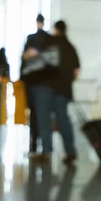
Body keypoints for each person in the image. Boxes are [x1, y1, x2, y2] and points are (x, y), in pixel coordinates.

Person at [21, 14, 56, 161]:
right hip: (44, 84)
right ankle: (43, 147)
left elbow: (24, 58)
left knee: (36, 115)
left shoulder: (32, 39)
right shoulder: (48, 40)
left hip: (35, 83)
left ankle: (35, 145)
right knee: (43, 116)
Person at [50, 20, 81, 166]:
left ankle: (50, 151)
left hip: (53, 88)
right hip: (65, 89)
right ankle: (70, 150)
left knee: (55, 120)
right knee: (64, 120)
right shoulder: (71, 47)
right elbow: (76, 72)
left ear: (56, 30)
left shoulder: (53, 45)